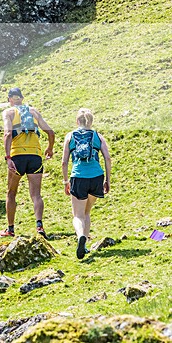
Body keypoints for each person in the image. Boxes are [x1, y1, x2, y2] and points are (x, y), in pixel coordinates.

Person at [1, 88, 55, 237]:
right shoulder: (34, 112)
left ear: (10, 99)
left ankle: (10, 229)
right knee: (36, 194)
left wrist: (7, 157)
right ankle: (39, 226)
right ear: (22, 98)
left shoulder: (8, 113)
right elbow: (50, 132)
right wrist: (49, 148)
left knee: (11, 193)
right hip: (35, 156)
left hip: (17, 155)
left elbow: (7, 133)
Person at [62, 108, 112, 259]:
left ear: (77, 121)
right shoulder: (98, 136)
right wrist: (107, 180)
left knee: (77, 215)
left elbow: (64, 162)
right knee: (87, 212)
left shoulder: (70, 136)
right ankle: (84, 243)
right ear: (91, 121)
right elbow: (107, 158)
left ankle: (80, 237)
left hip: (78, 177)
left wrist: (65, 181)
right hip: (96, 176)